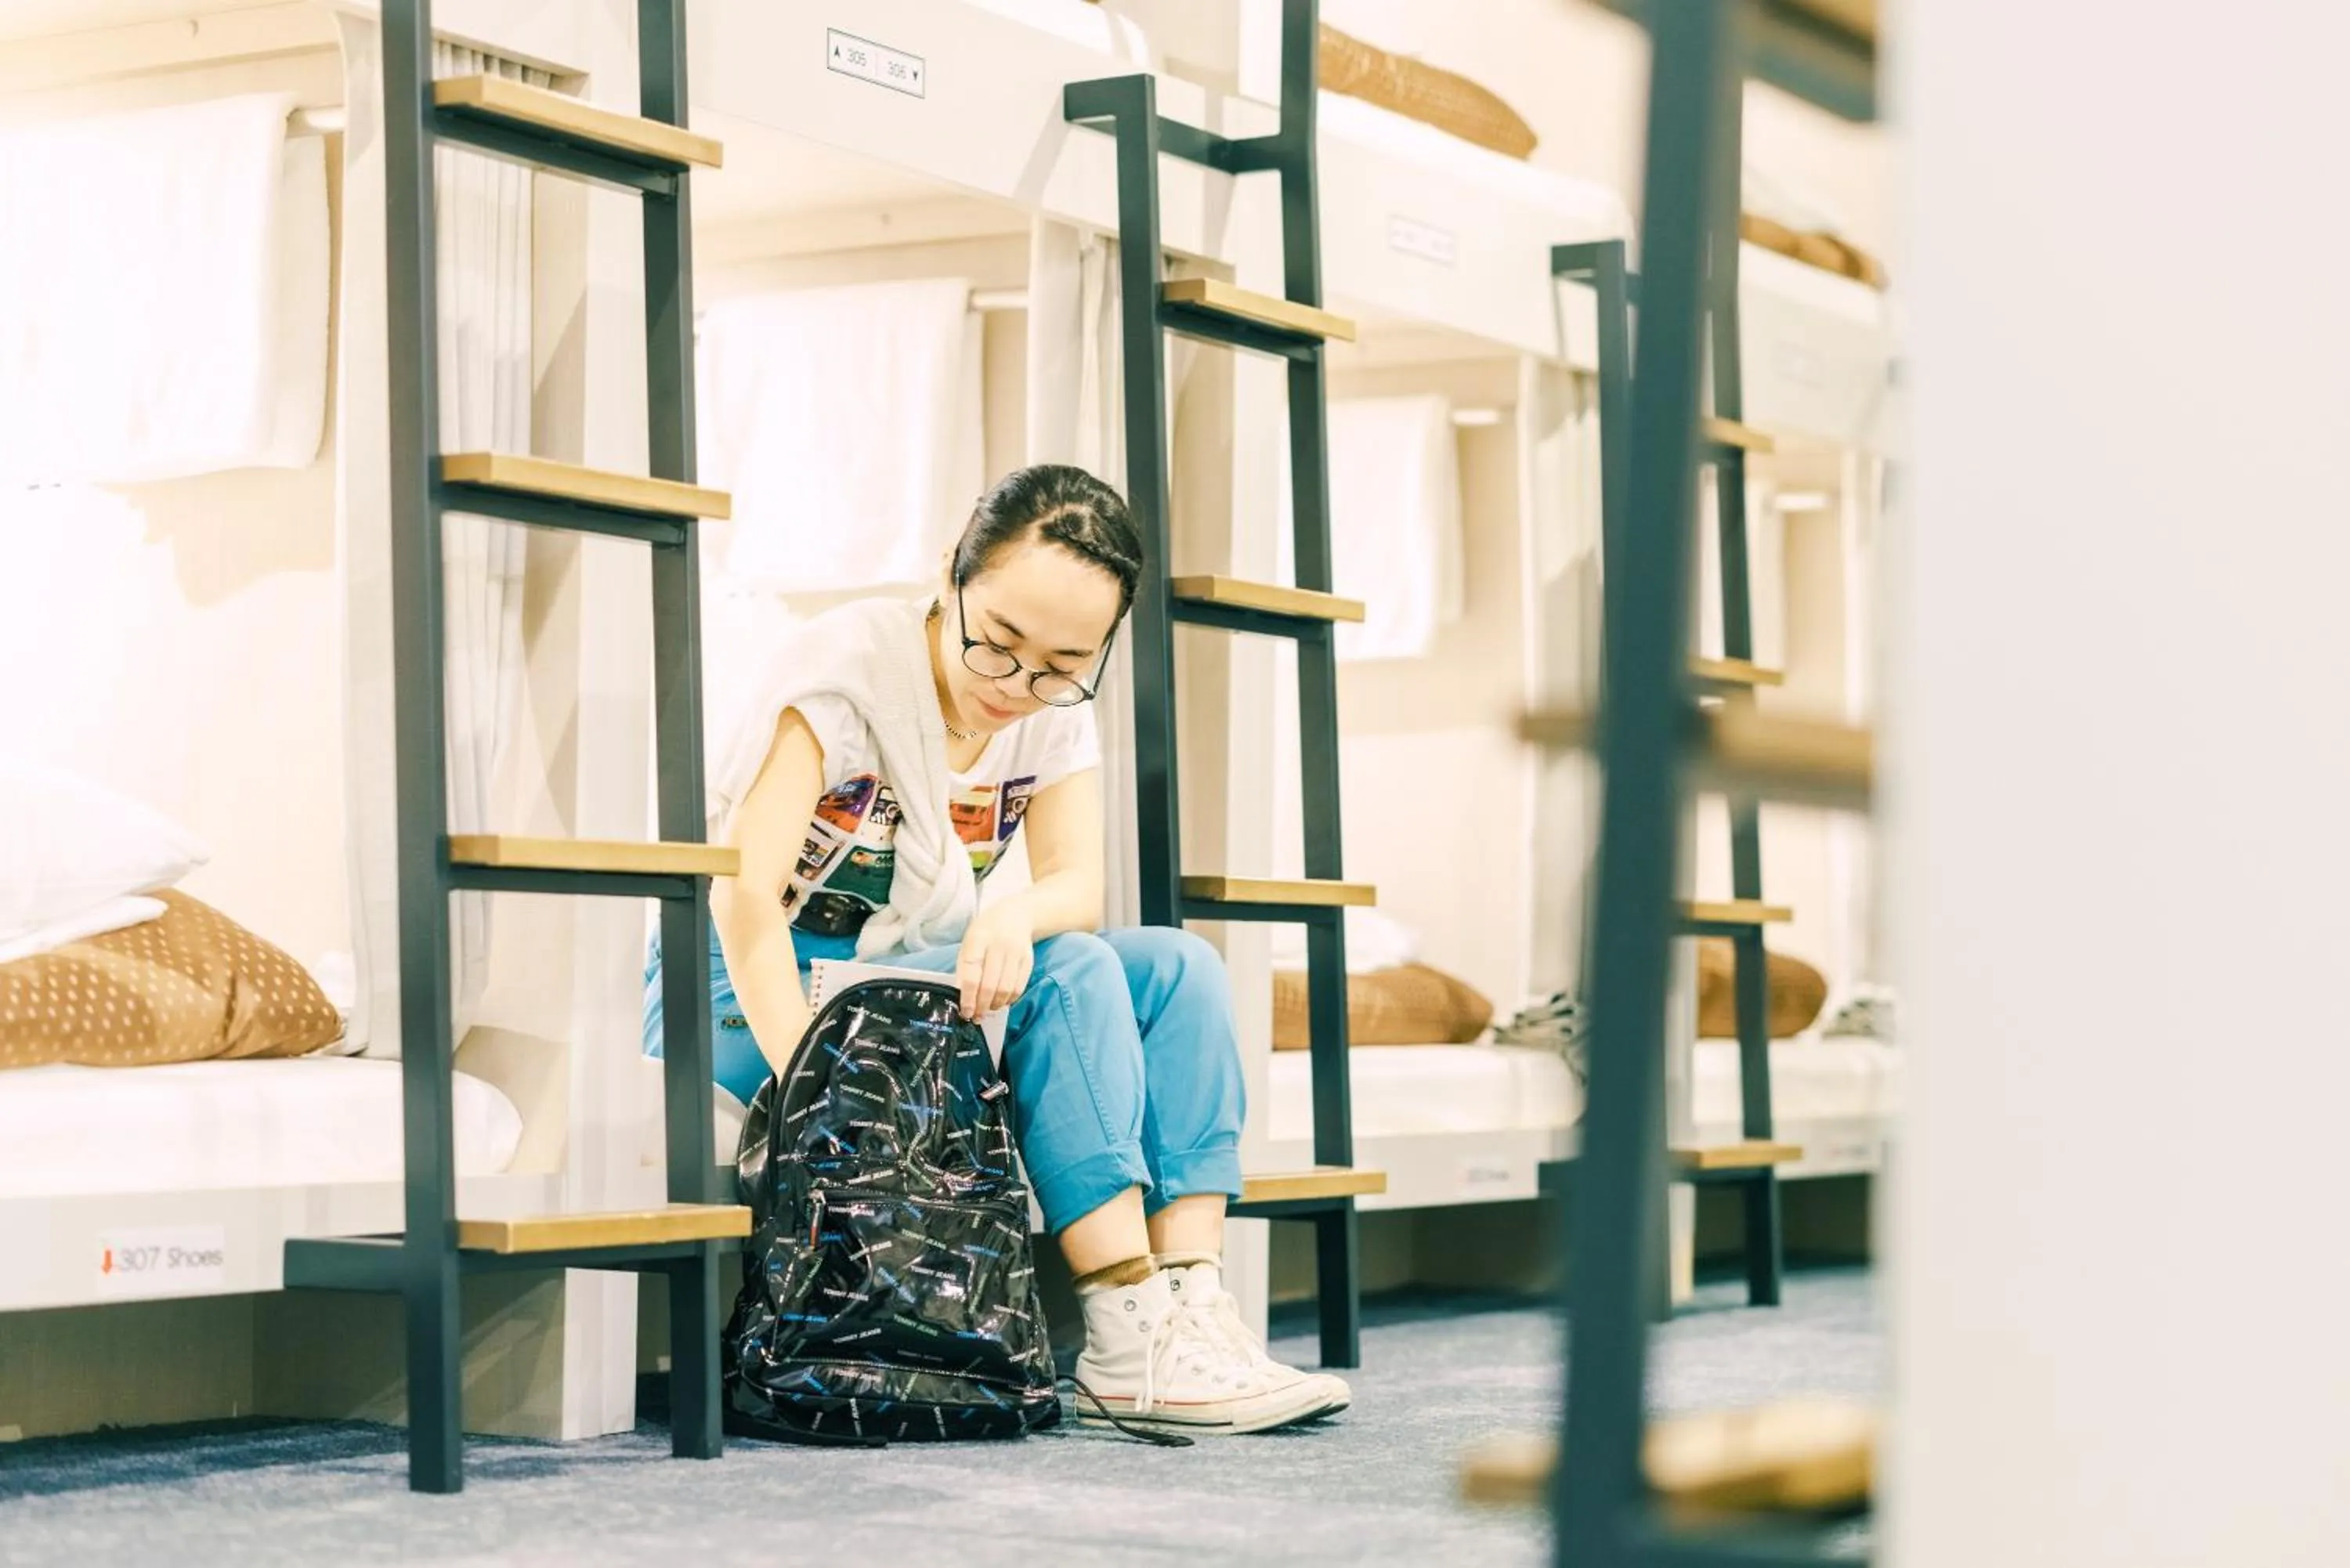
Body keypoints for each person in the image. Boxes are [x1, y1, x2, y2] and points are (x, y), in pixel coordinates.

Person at [645, 463, 1347, 1436]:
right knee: (1075, 972)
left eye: (1061, 662)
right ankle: (1121, 1324)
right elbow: (743, 897)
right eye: (998, 644)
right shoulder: (840, 677)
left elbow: (1076, 882)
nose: (1018, 685)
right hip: (758, 994)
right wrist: (812, 1082)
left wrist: (1010, 915)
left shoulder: (1057, 708)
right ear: (950, 577)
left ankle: (1189, 1304)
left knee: (1180, 968)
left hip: (909, 976)